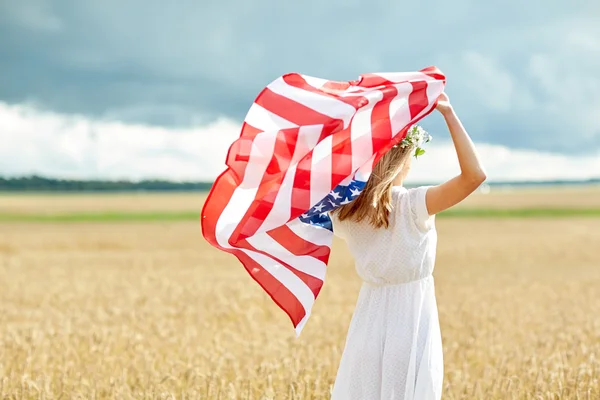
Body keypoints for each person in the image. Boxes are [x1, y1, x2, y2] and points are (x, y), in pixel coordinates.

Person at [329, 92, 486, 400]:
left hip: (367, 326)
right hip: (412, 325)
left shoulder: (344, 212)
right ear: (401, 159)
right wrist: (449, 114)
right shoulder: (414, 205)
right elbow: (474, 176)